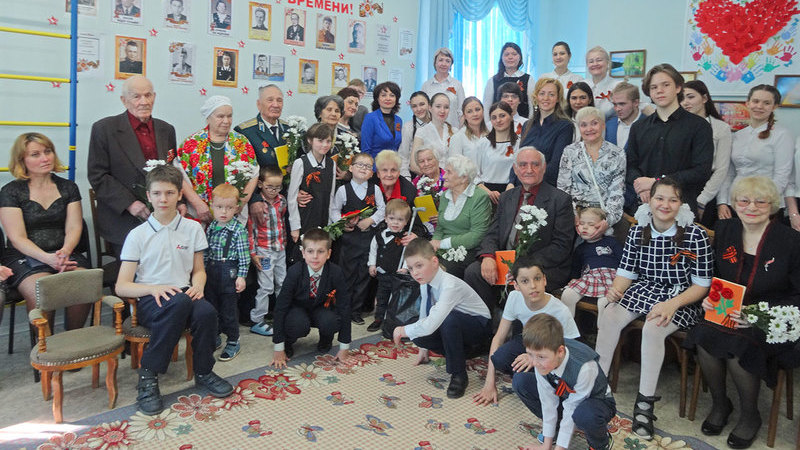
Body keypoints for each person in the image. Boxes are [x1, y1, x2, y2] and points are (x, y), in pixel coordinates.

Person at [683, 176, 800, 449]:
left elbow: (797, 294)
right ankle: (720, 404)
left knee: (738, 345)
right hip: (727, 309)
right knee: (704, 336)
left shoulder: (790, 241)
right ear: (735, 204)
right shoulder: (726, 229)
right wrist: (708, 299)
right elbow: (713, 274)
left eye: (760, 202)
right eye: (744, 201)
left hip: (771, 317)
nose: (751, 207)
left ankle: (750, 415)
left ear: (772, 206)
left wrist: (756, 314)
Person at [595, 177, 713, 440]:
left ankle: (645, 404)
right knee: (610, 313)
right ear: (650, 200)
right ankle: (597, 387)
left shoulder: (694, 235)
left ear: (681, 204)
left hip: (681, 296)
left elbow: (701, 285)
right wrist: (616, 289)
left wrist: (672, 304)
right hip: (646, 288)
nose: (665, 205)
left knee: (654, 326)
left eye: (673, 199)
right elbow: (626, 273)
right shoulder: (639, 230)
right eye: (660, 198)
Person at [115, 164, 233, 415]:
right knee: (179, 302)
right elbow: (122, 285)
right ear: (148, 196)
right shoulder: (137, 235)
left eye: (169, 193)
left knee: (206, 312)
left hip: (184, 293)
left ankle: (204, 371)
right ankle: (148, 377)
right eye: (157, 193)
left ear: (180, 194)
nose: (163, 199)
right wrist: (153, 289)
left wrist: (199, 284)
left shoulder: (192, 228)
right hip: (151, 299)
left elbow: (198, 270)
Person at [464, 148, 575, 311]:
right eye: (523, 165)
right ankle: (486, 322)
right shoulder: (506, 197)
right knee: (474, 271)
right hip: (506, 262)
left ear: (544, 168)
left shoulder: (560, 200)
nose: (529, 170)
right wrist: (488, 256)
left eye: (535, 165)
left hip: (541, 265)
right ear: (515, 169)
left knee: (524, 281)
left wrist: (522, 264)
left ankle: (513, 323)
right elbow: (492, 233)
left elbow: (561, 245)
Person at [0, 133, 91, 331]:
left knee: (84, 284)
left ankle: (74, 341)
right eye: (35, 154)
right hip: (24, 256)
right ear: (22, 160)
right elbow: (17, 238)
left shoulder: (68, 187)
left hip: (64, 253)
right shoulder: (10, 191)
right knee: (42, 290)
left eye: (47, 152)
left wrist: (64, 252)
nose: (45, 158)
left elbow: (74, 227)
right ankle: (44, 347)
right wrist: (47, 259)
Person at [88, 75, 178, 256]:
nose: (144, 102)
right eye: (136, 96)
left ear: (154, 97)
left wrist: (179, 202)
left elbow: (172, 172)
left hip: (163, 217)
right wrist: (130, 203)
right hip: (124, 219)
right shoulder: (104, 129)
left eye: (148, 95)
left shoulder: (166, 130)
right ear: (124, 100)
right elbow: (98, 175)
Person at [473, 257, 580, 407]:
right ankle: (529, 376)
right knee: (499, 357)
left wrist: (535, 358)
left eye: (537, 279)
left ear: (544, 280)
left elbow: (573, 352)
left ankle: (541, 386)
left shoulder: (560, 311)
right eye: (525, 281)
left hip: (553, 354)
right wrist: (489, 383)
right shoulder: (514, 297)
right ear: (516, 285)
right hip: (529, 341)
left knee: (520, 382)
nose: (533, 286)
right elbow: (498, 338)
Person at [393, 238, 491, 399]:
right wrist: (423, 348)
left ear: (434, 261)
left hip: (479, 327)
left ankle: (459, 374)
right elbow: (425, 314)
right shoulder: (425, 282)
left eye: (419, 266)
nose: (415, 273)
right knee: (418, 334)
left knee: (446, 320)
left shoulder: (449, 285)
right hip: (454, 325)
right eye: (410, 268)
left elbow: (432, 323)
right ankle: (462, 353)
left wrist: (402, 330)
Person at [513, 314, 616, 450]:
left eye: (541, 357)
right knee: (521, 381)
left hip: (596, 401)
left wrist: (560, 448)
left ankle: (600, 444)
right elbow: (548, 403)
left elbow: (572, 407)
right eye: (530, 354)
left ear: (560, 351)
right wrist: (546, 445)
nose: (535, 362)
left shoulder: (585, 367)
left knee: (584, 414)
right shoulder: (541, 362)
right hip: (566, 394)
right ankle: (556, 429)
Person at [626, 63, 713, 215]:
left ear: (678, 87)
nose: (659, 90)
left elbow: (701, 171)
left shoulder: (699, 126)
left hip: (681, 207)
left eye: (665, 85)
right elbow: (630, 165)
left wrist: (656, 182)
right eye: (654, 87)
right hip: (645, 205)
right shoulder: (638, 127)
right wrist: (641, 186)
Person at [270, 228, 352, 367]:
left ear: (328, 254)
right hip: (298, 309)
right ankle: (288, 342)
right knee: (298, 324)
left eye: (320, 251)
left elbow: (344, 306)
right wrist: (278, 347)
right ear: (303, 253)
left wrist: (344, 347)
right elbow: (280, 307)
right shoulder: (294, 272)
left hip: (322, 308)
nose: (315, 256)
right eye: (310, 251)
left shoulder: (335, 272)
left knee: (330, 321)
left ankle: (326, 338)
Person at [717, 84, 795, 224]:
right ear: (747, 103)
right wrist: (722, 202)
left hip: (766, 206)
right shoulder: (737, 135)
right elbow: (728, 173)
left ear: (774, 107)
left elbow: (782, 175)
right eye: (755, 101)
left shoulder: (782, 135)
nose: (759, 106)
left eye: (766, 103)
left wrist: (761, 202)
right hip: (735, 203)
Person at [175, 96, 257, 224]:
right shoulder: (191, 143)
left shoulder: (241, 142)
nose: (226, 121)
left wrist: (241, 202)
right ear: (208, 118)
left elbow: (254, 173)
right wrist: (197, 204)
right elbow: (180, 176)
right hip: (200, 214)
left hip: (233, 214)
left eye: (229, 116)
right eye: (220, 116)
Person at [329, 152, 386, 324]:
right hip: (348, 241)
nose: (363, 168)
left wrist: (371, 220)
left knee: (363, 276)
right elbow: (334, 210)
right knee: (346, 275)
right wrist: (342, 222)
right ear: (351, 168)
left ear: (372, 172)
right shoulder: (343, 190)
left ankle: (356, 310)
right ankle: (343, 309)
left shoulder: (375, 189)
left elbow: (382, 209)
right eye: (360, 164)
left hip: (368, 240)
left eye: (367, 166)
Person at [557, 106, 627, 233]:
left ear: (603, 125)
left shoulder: (617, 153)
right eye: (584, 125)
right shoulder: (570, 151)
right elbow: (563, 189)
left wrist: (607, 221)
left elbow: (617, 192)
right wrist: (574, 218)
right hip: (576, 217)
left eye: (594, 123)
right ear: (579, 128)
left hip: (604, 215)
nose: (589, 129)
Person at [204, 183, 249, 361]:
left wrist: (242, 276)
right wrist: (202, 272)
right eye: (219, 207)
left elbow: (244, 256)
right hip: (211, 273)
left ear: (236, 208)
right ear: (212, 206)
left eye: (229, 208)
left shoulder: (238, 230)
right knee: (212, 308)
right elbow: (205, 252)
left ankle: (233, 340)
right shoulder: (211, 227)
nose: (224, 212)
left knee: (229, 310)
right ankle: (215, 336)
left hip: (229, 273)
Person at [681, 80, 732, 227]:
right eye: (682, 98)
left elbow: (722, 169)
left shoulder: (721, 128)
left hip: (708, 189)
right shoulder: (679, 127)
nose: (685, 102)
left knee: (700, 232)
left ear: (704, 98)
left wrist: (702, 200)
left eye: (691, 97)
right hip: (681, 186)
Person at [430, 155, 491, 278]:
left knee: (440, 269)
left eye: (449, 172)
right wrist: (433, 245)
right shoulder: (445, 196)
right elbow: (440, 229)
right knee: (420, 262)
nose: (444, 176)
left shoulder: (479, 197)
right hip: (443, 249)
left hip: (467, 251)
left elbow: (477, 235)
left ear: (464, 178)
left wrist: (442, 243)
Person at [558, 208, 623, 316]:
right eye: (581, 223)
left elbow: (624, 261)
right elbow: (576, 268)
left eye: (591, 224)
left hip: (610, 278)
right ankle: (568, 326)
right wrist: (573, 279)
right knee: (567, 295)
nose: (585, 227)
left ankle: (602, 327)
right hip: (589, 277)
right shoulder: (580, 248)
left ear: (603, 226)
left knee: (605, 303)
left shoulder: (612, 242)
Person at [246, 166, 287, 336]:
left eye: (277, 187)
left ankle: (282, 315)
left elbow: (282, 221)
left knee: (282, 283)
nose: (273, 191)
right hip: (264, 251)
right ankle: (257, 320)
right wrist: (253, 253)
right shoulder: (257, 206)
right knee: (266, 286)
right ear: (260, 184)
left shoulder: (282, 201)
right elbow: (251, 231)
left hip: (280, 248)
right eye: (270, 187)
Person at [517, 77, 573, 187]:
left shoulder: (565, 126)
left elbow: (556, 164)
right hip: (522, 184)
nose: (546, 98)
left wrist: (531, 180)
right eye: (542, 93)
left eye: (551, 94)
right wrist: (511, 182)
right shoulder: (527, 125)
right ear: (536, 96)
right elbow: (519, 157)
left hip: (546, 186)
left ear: (558, 98)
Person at [287, 123, 336, 245]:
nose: (324, 145)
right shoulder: (300, 163)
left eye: (328, 141)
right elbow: (292, 197)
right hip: (305, 215)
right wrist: (295, 226)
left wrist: (330, 223)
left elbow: (331, 195)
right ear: (310, 140)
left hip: (323, 214)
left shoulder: (331, 164)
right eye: (320, 141)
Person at [367, 199, 412, 332]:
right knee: (381, 297)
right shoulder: (379, 236)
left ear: (406, 222)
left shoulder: (405, 238)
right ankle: (379, 318)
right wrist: (372, 265)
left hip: (397, 275)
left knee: (396, 298)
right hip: (382, 274)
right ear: (386, 219)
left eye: (400, 220)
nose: (395, 223)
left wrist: (405, 268)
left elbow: (408, 254)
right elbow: (373, 251)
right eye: (392, 218)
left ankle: (392, 320)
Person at [373, 150, 427, 239]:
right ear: (378, 173)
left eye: (393, 170)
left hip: (398, 238)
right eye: (384, 170)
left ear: (398, 173)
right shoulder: (369, 185)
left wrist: (415, 234)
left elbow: (417, 226)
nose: (389, 174)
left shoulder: (408, 191)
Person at [235, 84, 286, 170]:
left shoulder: (289, 129)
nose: (276, 105)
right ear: (259, 104)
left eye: (279, 100)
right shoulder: (245, 132)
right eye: (270, 100)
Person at [476, 102, 518, 203]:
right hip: (486, 193)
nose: (498, 120)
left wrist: (511, 187)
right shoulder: (483, 143)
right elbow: (474, 175)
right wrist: (488, 192)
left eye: (502, 116)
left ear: (511, 116)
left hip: (512, 192)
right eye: (494, 117)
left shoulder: (519, 143)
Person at [483, 42, 531, 121]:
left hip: (522, 124)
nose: (510, 57)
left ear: (520, 57)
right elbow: (486, 107)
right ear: (501, 58)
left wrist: (529, 125)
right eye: (506, 54)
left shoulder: (528, 79)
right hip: (497, 124)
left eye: (514, 54)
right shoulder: (493, 81)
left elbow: (532, 106)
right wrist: (489, 125)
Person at [421, 48, 465, 129]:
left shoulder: (457, 85)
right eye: (441, 60)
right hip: (431, 131)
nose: (444, 64)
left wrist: (461, 132)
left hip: (452, 131)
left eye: (447, 61)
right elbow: (423, 111)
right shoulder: (426, 86)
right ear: (435, 63)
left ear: (451, 64)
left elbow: (462, 112)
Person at [361, 81, 403, 160]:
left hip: (393, 165)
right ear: (377, 98)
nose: (388, 98)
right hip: (375, 164)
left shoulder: (398, 120)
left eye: (392, 95)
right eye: (383, 95)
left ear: (396, 99)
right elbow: (365, 149)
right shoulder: (370, 118)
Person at [412, 93, 453, 167]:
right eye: (438, 106)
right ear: (430, 108)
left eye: (446, 107)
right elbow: (414, 165)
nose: (442, 111)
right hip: (429, 173)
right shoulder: (422, 132)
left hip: (451, 173)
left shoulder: (455, 131)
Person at [398, 91, 431, 177]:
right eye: (414, 106)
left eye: (422, 104)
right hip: (415, 175)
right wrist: (407, 179)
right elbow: (403, 157)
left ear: (429, 105)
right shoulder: (408, 127)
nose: (419, 109)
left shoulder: (436, 125)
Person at [449, 97, 489, 164]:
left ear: (483, 111)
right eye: (469, 111)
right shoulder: (457, 138)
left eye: (477, 109)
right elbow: (454, 166)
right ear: (464, 116)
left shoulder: (491, 134)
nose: (475, 114)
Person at [584, 46, 619, 119]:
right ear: (587, 65)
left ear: (608, 63)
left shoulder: (618, 86)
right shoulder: (582, 85)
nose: (595, 64)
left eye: (599, 60)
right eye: (591, 61)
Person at [605, 81, 644, 148]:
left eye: (622, 104)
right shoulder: (608, 125)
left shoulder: (649, 125)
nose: (617, 109)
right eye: (614, 104)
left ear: (636, 102)